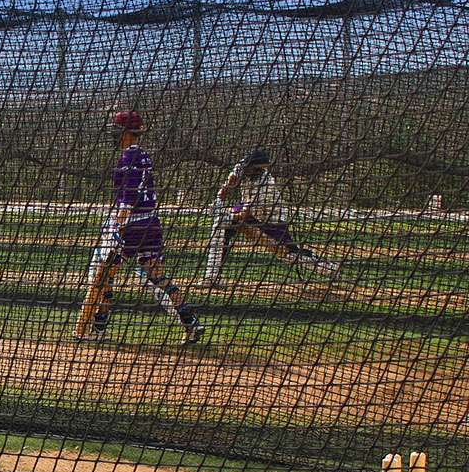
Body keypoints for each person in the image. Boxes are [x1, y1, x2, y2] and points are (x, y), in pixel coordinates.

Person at [74, 111, 206, 345]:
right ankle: (190, 322)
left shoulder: (128, 157)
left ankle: (98, 328)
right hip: (151, 224)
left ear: (126, 133)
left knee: (102, 274)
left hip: (132, 226)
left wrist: (117, 225)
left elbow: (129, 194)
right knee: (157, 276)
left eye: (117, 131)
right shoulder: (144, 156)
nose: (113, 136)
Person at [203, 148, 342, 284]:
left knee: (288, 254)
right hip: (246, 205)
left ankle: (330, 268)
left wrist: (227, 214)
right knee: (222, 227)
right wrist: (218, 200)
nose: (246, 170)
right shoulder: (242, 166)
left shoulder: (266, 186)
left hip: (270, 220)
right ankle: (212, 276)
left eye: (250, 168)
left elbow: (244, 215)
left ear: (259, 169)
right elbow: (230, 182)